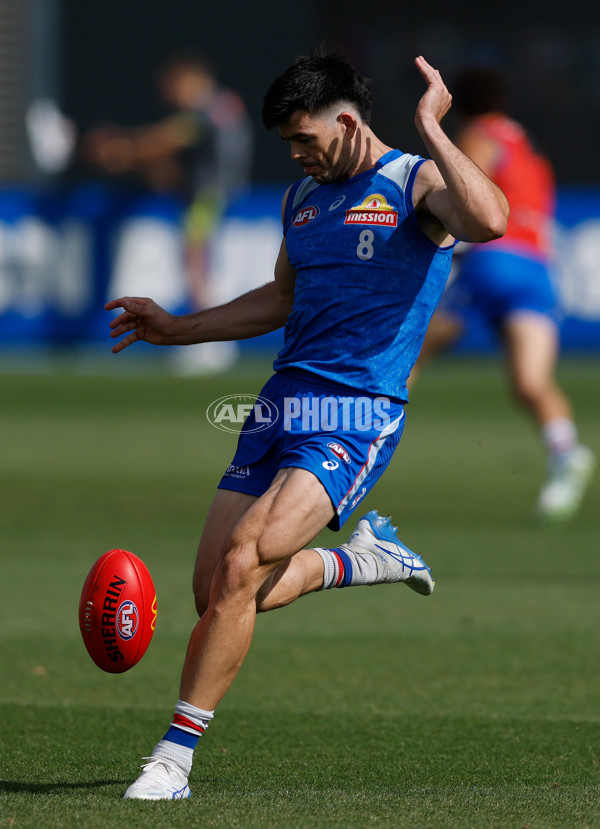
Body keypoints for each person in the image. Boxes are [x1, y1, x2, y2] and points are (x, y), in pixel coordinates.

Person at [105, 50, 508, 800]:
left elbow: (491, 218)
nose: (295, 154)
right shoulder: (302, 199)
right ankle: (361, 560)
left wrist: (431, 127)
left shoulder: (415, 181)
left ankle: (173, 758)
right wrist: (175, 327)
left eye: (304, 139)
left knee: (242, 559)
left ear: (348, 123)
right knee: (216, 590)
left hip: (354, 415)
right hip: (281, 402)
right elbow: (280, 302)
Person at [410, 65, 595, 522]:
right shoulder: (527, 142)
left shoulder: (479, 136)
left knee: (409, 351)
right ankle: (566, 449)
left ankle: (359, 440)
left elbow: (470, 194)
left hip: (496, 263)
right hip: (538, 269)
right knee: (531, 382)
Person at [84, 51, 253, 372]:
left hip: (207, 197)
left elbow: (165, 139)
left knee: (196, 264)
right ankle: (212, 339)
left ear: (194, 79)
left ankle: (211, 342)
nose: (172, 94)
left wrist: (122, 146)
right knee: (198, 263)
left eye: (176, 86)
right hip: (210, 193)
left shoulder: (206, 109)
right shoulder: (222, 106)